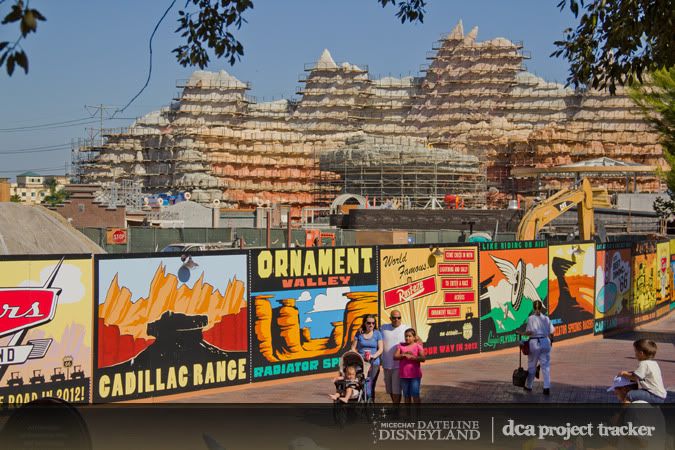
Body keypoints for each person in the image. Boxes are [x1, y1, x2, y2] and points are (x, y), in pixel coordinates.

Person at [617, 339, 667, 403]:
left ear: (641, 353)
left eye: (635, 351)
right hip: (659, 395)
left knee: (630, 395)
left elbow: (634, 377)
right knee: (637, 393)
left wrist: (623, 374)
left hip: (653, 395)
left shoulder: (644, 364)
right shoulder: (653, 363)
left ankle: (624, 412)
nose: (635, 354)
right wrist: (629, 373)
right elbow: (638, 373)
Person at [523, 300, 554, 395]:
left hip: (534, 343)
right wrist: (551, 342)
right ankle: (546, 388)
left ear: (533, 307)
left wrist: (521, 334)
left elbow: (529, 333)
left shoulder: (531, 318)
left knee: (532, 365)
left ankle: (529, 386)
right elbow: (552, 332)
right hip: (545, 342)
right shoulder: (546, 318)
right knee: (546, 366)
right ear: (541, 308)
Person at [351, 314, 383, 402]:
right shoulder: (359, 333)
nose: (371, 325)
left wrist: (374, 356)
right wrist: (358, 356)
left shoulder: (377, 333)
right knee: (360, 384)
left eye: (373, 323)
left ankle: (371, 404)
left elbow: (380, 349)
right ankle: (361, 402)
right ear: (364, 323)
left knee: (371, 384)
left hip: (374, 363)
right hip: (361, 363)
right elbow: (353, 347)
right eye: (368, 323)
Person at [380, 309, 408, 405]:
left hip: (399, 365)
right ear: (390, 318)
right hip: (386, 365)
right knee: (390, 389)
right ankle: (396, 407)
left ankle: (396, 410)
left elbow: (417, 340)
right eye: (394, 318)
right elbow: (372, 332)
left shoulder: (406, 328)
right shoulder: (383, 328)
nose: (396, 319)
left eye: (398, 317)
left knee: (396, 389)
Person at [394, 328, 425, 406]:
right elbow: (395, 357)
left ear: (414, 337)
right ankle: (408, 416)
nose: (407, 338)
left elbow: (423, 358)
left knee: (415, 395)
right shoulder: (400, 345)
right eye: (406, 336)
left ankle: (418, 416)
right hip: (403, 376)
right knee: (406, 396)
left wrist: (412, 357)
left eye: (409, 336)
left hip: (415, 376)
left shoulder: (418, 346)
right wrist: (403, 355)